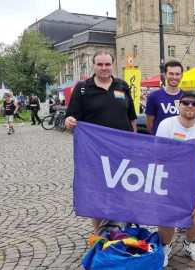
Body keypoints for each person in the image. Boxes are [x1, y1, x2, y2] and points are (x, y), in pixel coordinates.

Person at [65, 50, 137, 234]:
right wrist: (69, 122)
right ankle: (99, 233)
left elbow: (132, 119)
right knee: (98, 193)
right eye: (100, 64)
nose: (104, 68)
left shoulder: (122, 85)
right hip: (95, 154)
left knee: (123, 190)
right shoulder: (82, 89)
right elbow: (71, 118)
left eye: (107, 64)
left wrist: (135, 144)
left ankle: (121, 228)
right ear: (93, 66)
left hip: (122, 151)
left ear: (112, 65)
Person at [156, 91, 195, 267]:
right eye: (186, 102)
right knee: (166, 218)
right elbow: (158, 157)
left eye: (194, 104)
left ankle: (190, 244)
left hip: (190, 186)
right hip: (167, 183)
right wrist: (186, 148)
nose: (190, 106)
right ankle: (166, 246)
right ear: (179, 105)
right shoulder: (166, 125)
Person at [145, 60, 184, 135]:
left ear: (181, 76)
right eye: (171, 74)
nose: (174, 77)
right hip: (160, 142)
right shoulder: (154, 96)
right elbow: (149, 123)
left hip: (180, 141)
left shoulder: (186, 96)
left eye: (177, 74)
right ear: (165, 75)